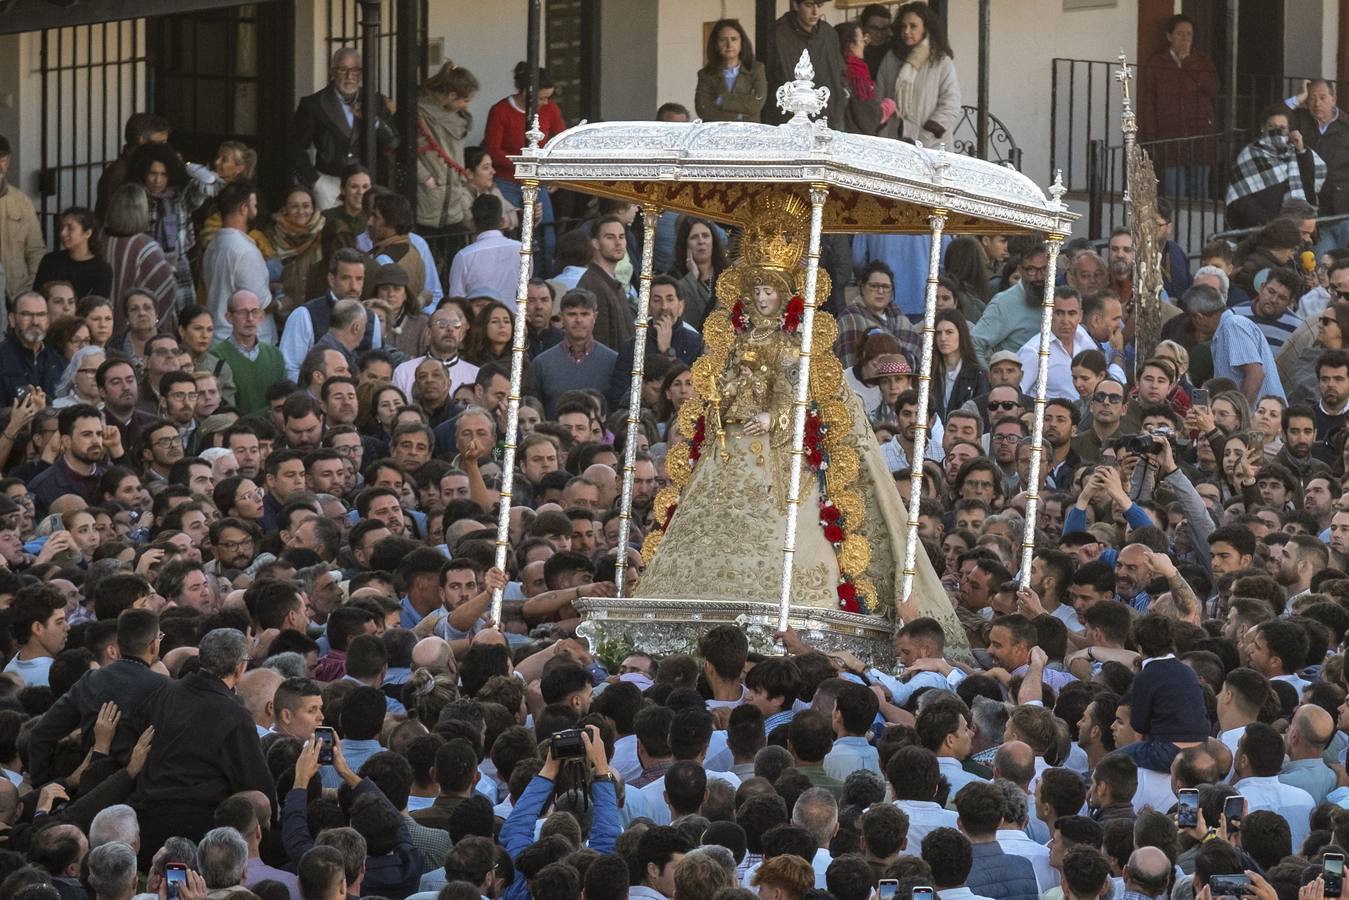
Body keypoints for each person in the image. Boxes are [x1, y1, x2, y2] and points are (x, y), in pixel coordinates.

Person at [635, 196, 963, 651]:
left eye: (771, 291)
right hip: (728, 450)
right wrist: (727, 398)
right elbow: (718, 388)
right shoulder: (735, 343)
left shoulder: (795, 348)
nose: (763, 299)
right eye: (757, 291)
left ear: (787, 293)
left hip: (779, 450)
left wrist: (772, 415)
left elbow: (798, 398)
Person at [130, 628, 275, 856]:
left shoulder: (164, 694)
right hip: (202, 830)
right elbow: (256, 783)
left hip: (147, 820)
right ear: (240, 667)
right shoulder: (234, 715)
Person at [289, 48, 399, 211]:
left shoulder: (375, 101)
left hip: (365, 185)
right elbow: (294, 146)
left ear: (361, 73)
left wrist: (372, 120)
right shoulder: (313, 104)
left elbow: (393, 141)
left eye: (354, 70)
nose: (349, 76)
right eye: (342, 69)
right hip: (329, 183)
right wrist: (315, 181)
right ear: (332, 71)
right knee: (332, 233)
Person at [1137, 14, 1218, 197]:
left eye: (1189, 34)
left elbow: (1211, 88)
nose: (1185, 38)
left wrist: (1188, 62)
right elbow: (1149, 102)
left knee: (1200, 191)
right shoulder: (1157, 63)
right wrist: (1150, 137)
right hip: (1170, 135)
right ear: (1169, 36)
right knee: (1174, 192)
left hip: (1200, 133)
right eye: (1180, 34)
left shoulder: (1202, 60)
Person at [874, 2, 961, 149]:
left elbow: (951, 103)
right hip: (893, 141)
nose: (907, 31)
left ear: (925, 28)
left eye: (913, 26)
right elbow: (878, 94)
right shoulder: (891, 58)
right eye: (903, 26)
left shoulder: (940, 61)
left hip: (932, 145)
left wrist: (928, 133)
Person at [1227, 104, 1327, 229]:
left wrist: (1301, 149)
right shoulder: (1250, 154)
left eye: (1282, 127)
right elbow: (1241, 199)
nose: (1277, 131)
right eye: (1271, 126)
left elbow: (1310, 180)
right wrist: (1269, 221)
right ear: (1262, 128)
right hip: (1260, 229)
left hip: (1296, 228)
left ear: (1289, 129)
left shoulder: (1296, 151)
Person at [524, 288, 617, 420]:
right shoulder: (542, 364)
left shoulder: (613, 362)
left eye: (585, 314)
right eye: (572, 314)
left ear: (594, 317)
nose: (578, 320)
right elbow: (534, 414)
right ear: (562, 318)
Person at [414, 61, 478, 241]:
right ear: (451, 96)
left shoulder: (458, 116)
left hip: (452, 199)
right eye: (465, 100)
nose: (467, 106)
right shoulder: (421, 113)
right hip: (429, 197)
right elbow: (410, 151)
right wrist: (425, 177)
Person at [102, 185, 178, 334]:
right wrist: (172, 270)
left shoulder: (101, 240)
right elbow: (167, 289)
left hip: (103, 326)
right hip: (136, 334)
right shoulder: (145, 247)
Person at [1285, 79, 1349, 253]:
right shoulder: (1299, 119)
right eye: (1312, 98)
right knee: (1319, 263)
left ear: (1333, 99)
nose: (1317, 103)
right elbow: (1272, 120)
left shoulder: (1346, 127)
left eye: (1322, 97)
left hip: (1344, 212)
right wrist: (1298, 98)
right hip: (1315, 213)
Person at [763, 0, 845, 131]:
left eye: (819, 6)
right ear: (796, 5)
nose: (815, 12)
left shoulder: (828, 33)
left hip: (827, 115)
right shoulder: (778, 34)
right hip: (790, 117)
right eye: (809, 5)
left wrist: (839, 102)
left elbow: (837, 73)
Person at [213, 292, 288, 418]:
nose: (250, 318)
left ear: (262, 316)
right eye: (242, 312)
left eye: (255, 312)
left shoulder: (275, 356)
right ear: (229, 317)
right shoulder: (217, 357)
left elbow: (285, 400)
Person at [447, 194, 521, 307]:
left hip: (480, 321)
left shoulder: (463, 256)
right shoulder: (521, 249)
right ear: (502, 221)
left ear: (473, 223)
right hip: (514, 320)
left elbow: (456, 302)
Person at [0, 135, 46, 305]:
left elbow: (35, 250)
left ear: (8, 161)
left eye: (3, 159)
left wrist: (30, 289)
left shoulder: (22, 201)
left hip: (17, 295)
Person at [695, 19, 767, 124]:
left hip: (748, 133)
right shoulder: (706, 74)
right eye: (723, 40)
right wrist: (739, 115)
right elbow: (703, 110)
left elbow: (756, 104)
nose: (729, 45)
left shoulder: (756, 70)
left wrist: (722, 100)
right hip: (717, 134)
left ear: (742, 42)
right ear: (715, 44)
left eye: (734, 39)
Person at [33, 207, 113, 301]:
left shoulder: (102, 269)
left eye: (70, 228)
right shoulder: (50, 261)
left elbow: (96, 306)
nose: (63, 233)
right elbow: (37, 297)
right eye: (62, 228)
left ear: (87, 233)